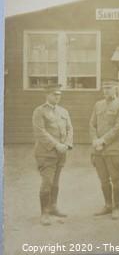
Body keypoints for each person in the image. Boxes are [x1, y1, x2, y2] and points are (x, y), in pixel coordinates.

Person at [32, 84, 73, 226]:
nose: (58, 97)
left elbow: (69, 129)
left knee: (56, 182)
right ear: (47, 95)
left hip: (61, 153)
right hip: (46, 154)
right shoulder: (39, 111)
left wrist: (67, 144)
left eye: (59, 94)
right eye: (55, 94)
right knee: (47, 182)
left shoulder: (63, 111)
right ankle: (44, 213)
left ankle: (53, 207)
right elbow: (40, 132)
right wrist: (57, 145)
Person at [89, 79, 119, 220]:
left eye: (109, 87)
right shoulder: (98, 105)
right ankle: (108, 205)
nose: (106, 90)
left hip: (114, 149)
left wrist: (103, 140)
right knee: (103, 180)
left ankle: (116, 207)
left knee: (116, 179)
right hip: (98, 150)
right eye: (104, 88)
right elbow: (92, 125)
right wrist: (95, 140)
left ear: (116, 89)